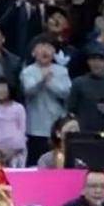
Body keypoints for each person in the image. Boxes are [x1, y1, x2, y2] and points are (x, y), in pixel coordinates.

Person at [20, 35, 71, 165]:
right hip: (35, 126)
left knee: (58, 162)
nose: (45, 51)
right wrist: (41, 81)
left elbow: (65, 92)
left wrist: (49, 83)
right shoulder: (28, 71)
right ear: (33, 52)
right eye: (41, 47)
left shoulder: (62, 71)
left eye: (49, 47)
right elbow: (28, 90)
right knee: (35, 162)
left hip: (57, 125)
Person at [66, 44, 104, 134]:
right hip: (84, 133)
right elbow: (70, 109)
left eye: (100, 59)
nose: (96, 63)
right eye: (93, 59)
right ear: (88, 62)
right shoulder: (78, 83)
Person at [0, 79, 27, 167]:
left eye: (3, 89)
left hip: (16, 150)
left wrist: (12, 152)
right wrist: (1, 150)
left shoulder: (19, 108)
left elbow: (22, 131)